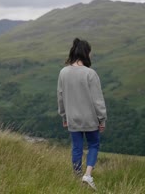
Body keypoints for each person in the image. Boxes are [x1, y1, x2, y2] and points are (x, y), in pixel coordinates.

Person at [57, 38, 107, 190]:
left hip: (72, 118)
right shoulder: (90, 74)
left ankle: (77, 176)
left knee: (76, 148)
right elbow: (98, 100)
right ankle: (88, 175)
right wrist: (102, 119)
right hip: (90, 118)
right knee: (93, 144)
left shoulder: (63, 72)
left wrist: (64, 116)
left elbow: (60, 97)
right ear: (86, 53)